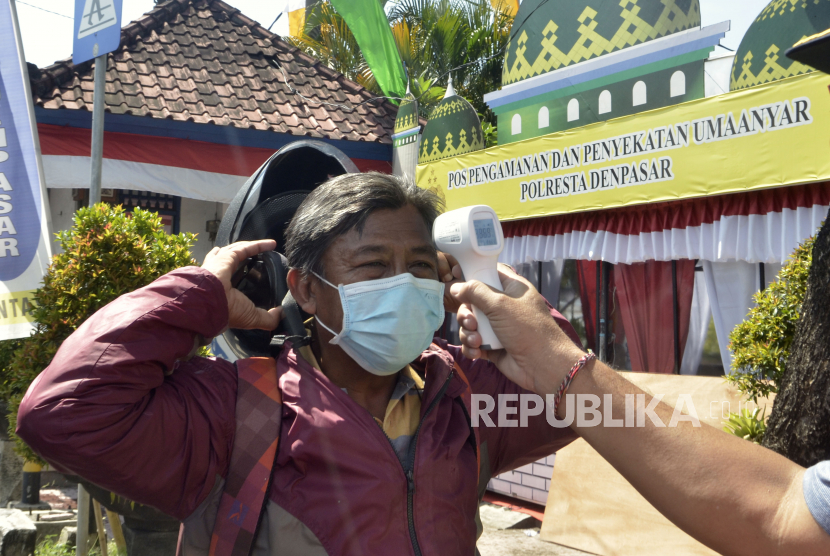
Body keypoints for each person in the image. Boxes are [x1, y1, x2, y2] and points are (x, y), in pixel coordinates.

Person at [16, 173, 580, 555]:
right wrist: (199, 294)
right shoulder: (232, 411)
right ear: (306, 289)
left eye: (420, 267)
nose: (403, 283)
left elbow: (577, 404)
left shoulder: (464, 393)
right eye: (373, 264)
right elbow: (61, 412)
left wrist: (495, 290)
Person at [449, 267, 830, 556]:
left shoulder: (454, 387)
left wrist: (545, 345)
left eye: (420, 265)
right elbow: (782, 512)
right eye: (383, 264)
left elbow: (782, 513)